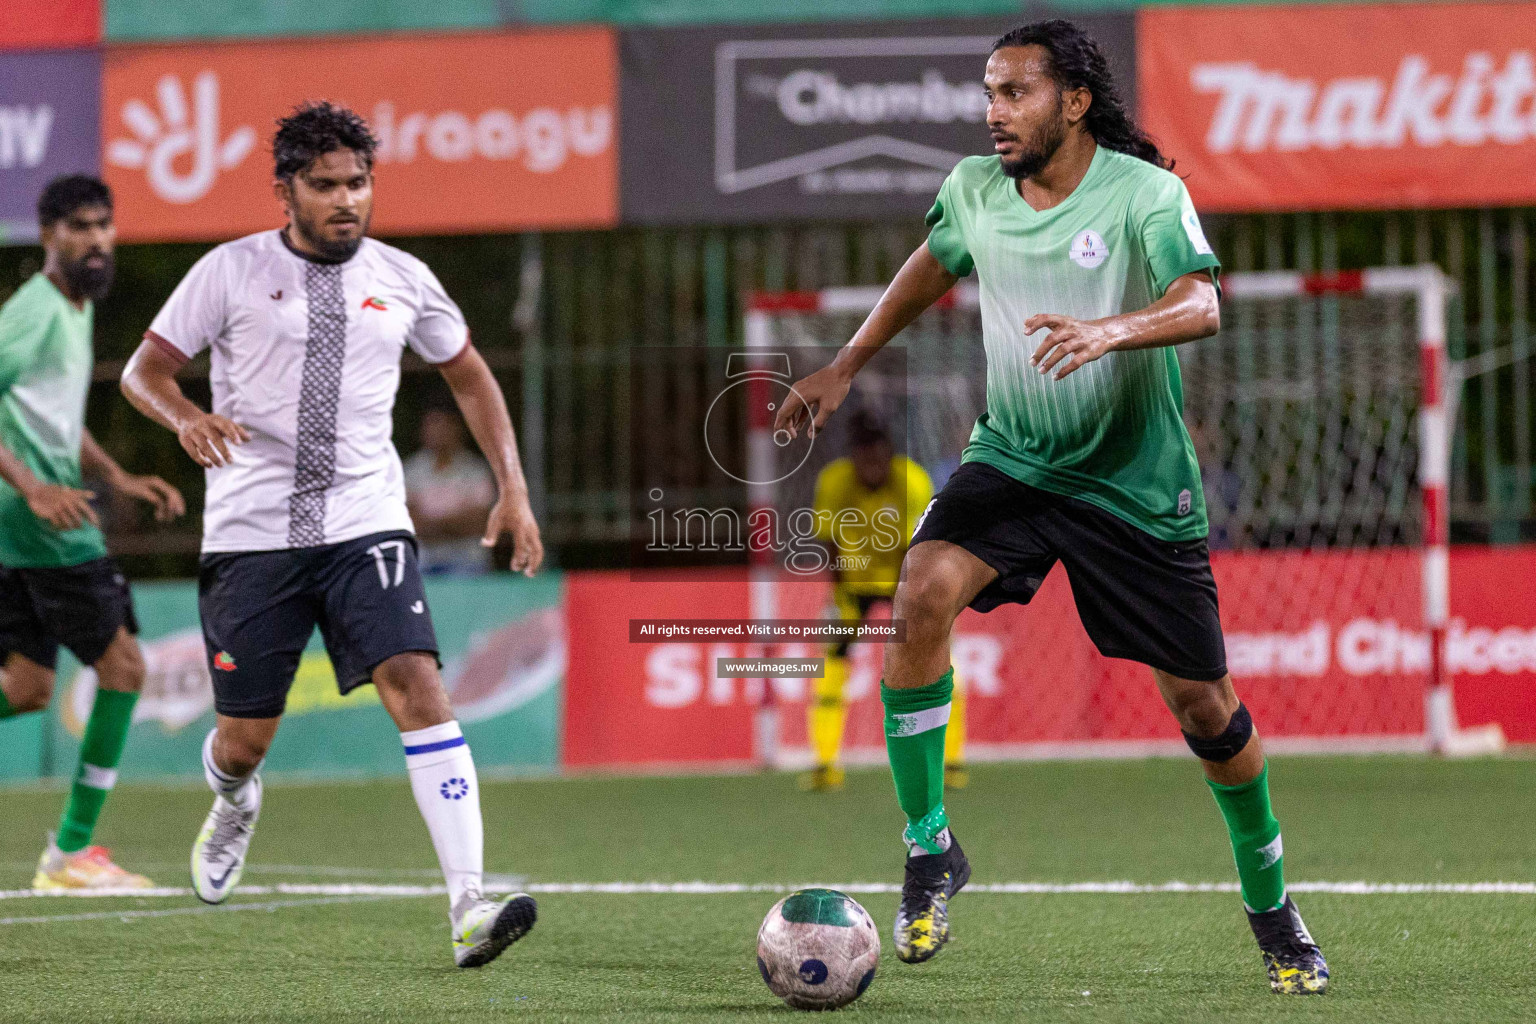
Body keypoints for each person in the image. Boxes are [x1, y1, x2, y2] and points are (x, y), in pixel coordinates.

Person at [775, 20, 1327, 995]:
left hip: (1136, 486)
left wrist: (1114, 327)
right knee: (918, 593)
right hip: (1017, 461)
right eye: (988, 93)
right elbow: (933, 264)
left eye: (1015, 92)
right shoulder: (972, 191)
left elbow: (1201, 303)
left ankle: (1271, 903)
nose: (994, 112)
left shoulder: (1143, 194)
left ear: (1073, 100)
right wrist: (847, 361)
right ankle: (929, 848)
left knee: (1204, 706)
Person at [119, 102, 545, 968]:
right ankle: (234, 797)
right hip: (251, 534)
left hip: (366, 520)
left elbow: (469, 375)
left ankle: (468, 903)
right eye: (325, 186)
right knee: (243, 741)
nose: (346, 199)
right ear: (285, 193)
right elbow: (143, 370)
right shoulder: (229, 271)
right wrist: (186, 417)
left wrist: (515, 490)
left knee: (417, 684)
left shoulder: (403, 275)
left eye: (359, 183)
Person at [0, 175, 186, 890]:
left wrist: (115, 475)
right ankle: (71, 853)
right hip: (45, 523)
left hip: (25, 524)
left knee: (24, 686)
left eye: (104, 225)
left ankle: (70, 854)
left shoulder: (73, 310)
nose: (98, 239)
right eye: (80, 227)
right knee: (126, 670)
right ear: (49, 236)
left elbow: (50, 414)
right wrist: (36, 487)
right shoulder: (36, 312)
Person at [804, 410, 968, 792]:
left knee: (939, 656)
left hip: (904, 581)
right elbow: (829, 543)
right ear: (853, 454)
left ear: (889, 451)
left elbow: (921, 547)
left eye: (877, 453)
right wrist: (838, 597)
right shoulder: (834, 481)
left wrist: (916, 600)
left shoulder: (911, 480)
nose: (871, 463)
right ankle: (825, 764)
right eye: (863, 454)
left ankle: (952, 760)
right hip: (853, 584)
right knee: (830, 659)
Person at [404, 406, 496, 574]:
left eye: (443, 424)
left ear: (457, 428)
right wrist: (454, 524)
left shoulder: (475, 470)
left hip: (468, 561)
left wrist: (430, 525)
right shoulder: (411, 470)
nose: (437, 431)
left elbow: (480, 523)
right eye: (432, 424)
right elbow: (406, 523)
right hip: (422, 561)